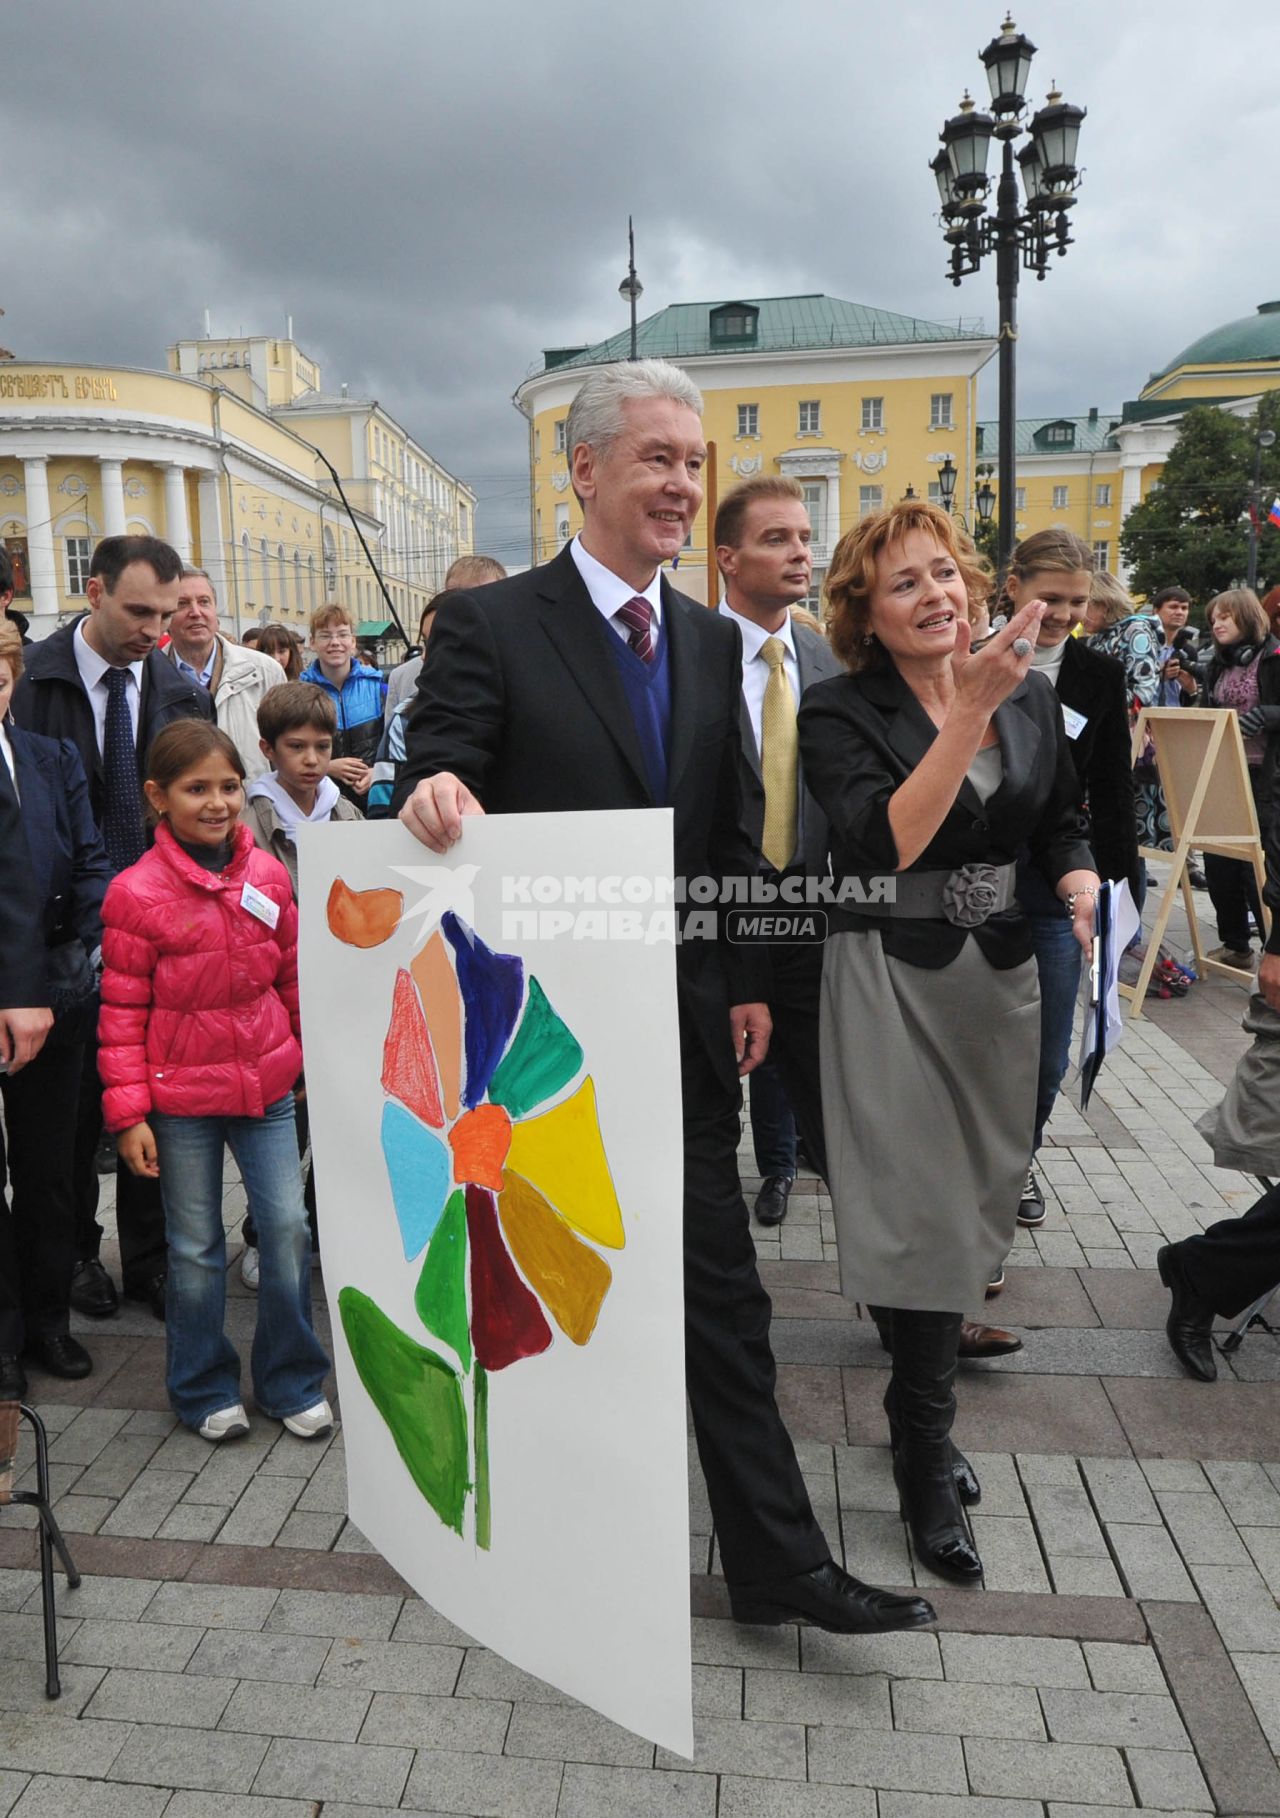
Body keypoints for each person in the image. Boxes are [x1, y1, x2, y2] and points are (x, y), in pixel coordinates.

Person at [394, 358, 933, 1635]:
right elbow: (441, 764)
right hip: (537, 1052)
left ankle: (776, 1565)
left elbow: (725, 833)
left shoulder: (705, 638)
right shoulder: (493, 625)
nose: (683, 486)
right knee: (546, 1294)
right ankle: (532, 1546)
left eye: (693, 463)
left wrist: (742, 978)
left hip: (680, 1033)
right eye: (657, 460)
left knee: (724, 1300)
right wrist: (430, 796)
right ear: (583, 472)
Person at [799, 499, 1097, 1584]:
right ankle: (923, 1449)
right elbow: (880, 843)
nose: (932, 596)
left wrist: (1072, 874)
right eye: (901, 585)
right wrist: (965, 712)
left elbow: (1055, 811)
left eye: (942, 575)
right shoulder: (837, 712)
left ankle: (912, 1414)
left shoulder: (1026, 695)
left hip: (999, 979)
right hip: (887, 977)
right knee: (920, 1208)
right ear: (863, 616)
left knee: (977, 1200)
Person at [97, 721, 332, 1442]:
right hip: (181, 1103)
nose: (218, 803)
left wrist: (304, 1054)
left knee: (287, 1231)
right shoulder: (134, 894)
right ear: (157, 797)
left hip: (264, 1089)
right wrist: (130, 1113)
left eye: (228, 786)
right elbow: (122, 1011)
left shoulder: (267, 874)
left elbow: (292, 972)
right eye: (196, 788)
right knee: (195, 1247)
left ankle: (290, 1379)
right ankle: (202, 1387)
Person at [11, 533, 213, 1322]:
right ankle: (72, 1260)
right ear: (92, 592)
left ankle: (152, 1263)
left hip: (157, 931)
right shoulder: (37, 683)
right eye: (138, 610)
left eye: (165, 613)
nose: (154, 628)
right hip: (65, 939)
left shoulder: (175, 684)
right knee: (71, 1117)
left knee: (151, 1103)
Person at [714, 474, 841, 1225]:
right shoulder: (682, 659)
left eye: (803, 537)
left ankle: (909, 1324)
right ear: (728, 557)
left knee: (835, 1113)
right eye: (777, 539)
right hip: (712, 920)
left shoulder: (827, 662)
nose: (800, 553)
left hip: (812, 922)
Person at [1002, 529, 1139, 1229]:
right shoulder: (972, 657)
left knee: (1052, 1044)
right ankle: (977, 1163)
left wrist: (1120, 890)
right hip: (982, 883)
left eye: (1076, 601)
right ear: (1013, 586)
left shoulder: (1098, 676)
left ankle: (1019, 1159)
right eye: (1049, 597)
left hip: (1064, 885)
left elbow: (1113, 787)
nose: (1060, 613)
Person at [0, 622, 113, 1396]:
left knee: (49, 1172)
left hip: (56, 1000)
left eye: (0, 672)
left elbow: (91, 863)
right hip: (16, 993)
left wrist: (60, 971)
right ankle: (3, 1342)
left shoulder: (52, 758)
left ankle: (47, 1323)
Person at [240, 681, 363, 1288]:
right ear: (268, 749)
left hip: (335, 988)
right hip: (273, 993)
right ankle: (264, 1234)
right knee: (283, 1124)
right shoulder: (249, 816)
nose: (311, 759)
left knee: (335, 1117)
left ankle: (315, 1226)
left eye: (321, 745)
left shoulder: (344, 812)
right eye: (297, 747)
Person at [1196, 588, 1280, 969]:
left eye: (1226, 616)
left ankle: (1272, 951)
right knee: (1218, 861)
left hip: (1266, 777)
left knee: (1255, 865)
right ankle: (1235, 944)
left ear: (1247, 617)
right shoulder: (1218, 663)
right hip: (1224, 770)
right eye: (1214, 618)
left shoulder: (1274, 658)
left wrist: (1267, 715)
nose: (1217, 623)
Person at [166, 568, 287, 780]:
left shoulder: (264, 672)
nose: (195, 612)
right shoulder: (149, 676)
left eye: (204, 602)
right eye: (182, 604)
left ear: (215, 611)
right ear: (166, 614)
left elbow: (287, 752)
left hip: (253, 808)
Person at [367, 591, 468, 817]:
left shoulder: (519, 711)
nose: (424, 656)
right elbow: (380, 810)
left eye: (439, 641)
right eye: (424, 642)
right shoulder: (404, 717)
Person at [384, 558, 506, 722]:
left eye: (480, 600)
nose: (465, 609)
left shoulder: (522, 675)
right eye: (453, 597)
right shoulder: (404, 678)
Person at [300, 604, 385, 804]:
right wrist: (326, 767)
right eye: (325, 636)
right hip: (320, 803)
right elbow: (287, 754)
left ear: (353, 641)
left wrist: (378, 772)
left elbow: (395, 745)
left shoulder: (379, 686)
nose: (335, 642)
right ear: (312, 642)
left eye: (342, 635)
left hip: (374, 800)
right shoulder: (300, 692)